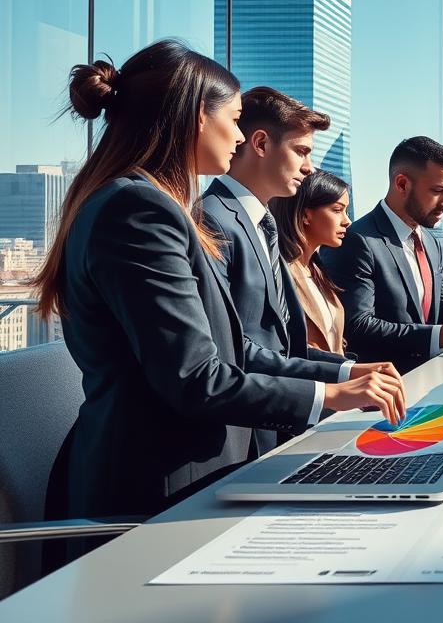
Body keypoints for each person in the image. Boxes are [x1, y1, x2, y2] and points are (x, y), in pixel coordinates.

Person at [34, 40, 406, 542]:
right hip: (155, 492)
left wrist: (342, 374)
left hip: (183, 474)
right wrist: (333, 394)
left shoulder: (150, 204)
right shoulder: (140, 210)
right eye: (232, 119)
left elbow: (232, 347)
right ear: (194, 119)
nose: (237, 134)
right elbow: (194, 378)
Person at [200, 87, 397, 453]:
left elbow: (284, 345)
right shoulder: (211, 221)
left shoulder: (262, 224)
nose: (309, 167)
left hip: (262, 428)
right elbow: (233, 348)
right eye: (302, 151)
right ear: (260, 144)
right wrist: (332, 390)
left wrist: (346, 371)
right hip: (228, 437)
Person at [322, 136, 443, 372]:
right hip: (381, 388)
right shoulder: (356, 241)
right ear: (402, 184)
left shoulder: (429, 241)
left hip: (427, 376)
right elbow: (357, 327)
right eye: (438, 190)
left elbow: (441, 299)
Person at [271, 169, 353, 356]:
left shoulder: (317, 270)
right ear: (306, 215)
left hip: (340, 380)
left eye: (346, 211)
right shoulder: (280, 272)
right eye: (337, 210)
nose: (347, 221)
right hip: (311, 382)